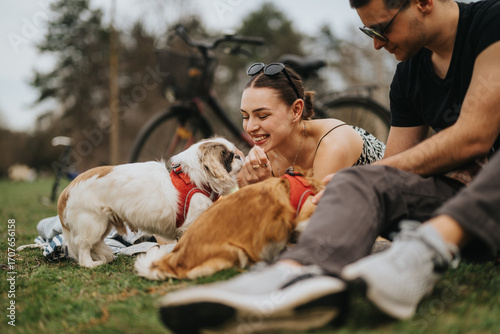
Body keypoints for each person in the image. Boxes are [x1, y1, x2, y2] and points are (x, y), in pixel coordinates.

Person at [157, 0, 500, 333]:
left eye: (382, 28)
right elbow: (390, 172)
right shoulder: (408, 75)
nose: (378, 44)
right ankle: (299, 276)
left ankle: (426, 252)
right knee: (358, 180)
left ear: (423, 2)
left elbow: (474, 136)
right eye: (370, 33)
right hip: (460, 197)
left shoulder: (490, 22)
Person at [238, 62, 385, 187]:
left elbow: (315, 214)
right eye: (245, 116)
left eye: (263, 116)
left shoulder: (333, 144)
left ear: (296, 110)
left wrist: (267, 184)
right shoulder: (266, 152)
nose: (250, 127)